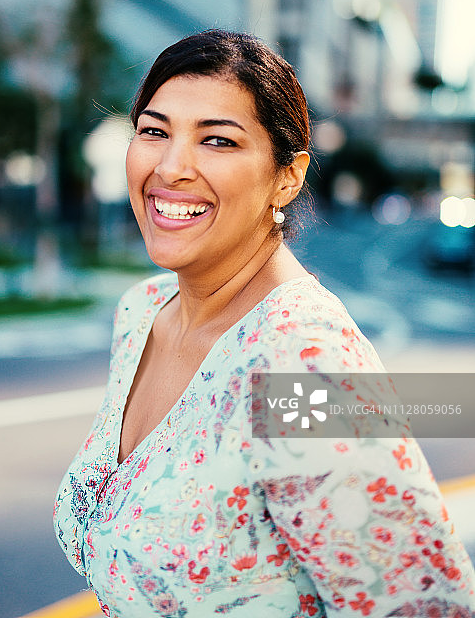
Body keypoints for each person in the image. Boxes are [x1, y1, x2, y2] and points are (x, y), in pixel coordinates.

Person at [54, 30, 475, 617]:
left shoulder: (303, 365)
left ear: (288, 176)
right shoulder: (143, 312)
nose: (171, 167)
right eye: (154, 132)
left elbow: (424, 606)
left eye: (218, 142)